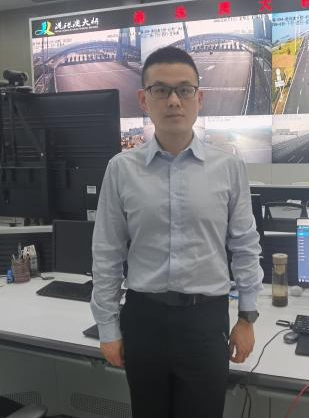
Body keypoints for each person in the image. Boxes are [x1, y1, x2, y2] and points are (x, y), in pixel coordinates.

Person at [90, 46, 263, 418]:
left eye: (184, 90)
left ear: (199, 98)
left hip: (205, 322)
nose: (173, 101)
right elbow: (107, 253)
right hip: (143, 320)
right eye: (161, 90)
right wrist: (107, 326)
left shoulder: (228, 168)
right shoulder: (121, 169)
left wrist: (246, 317)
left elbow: (245, 246)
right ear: (144, 99)